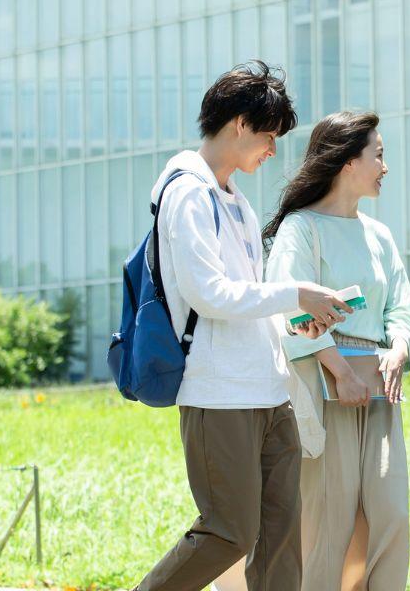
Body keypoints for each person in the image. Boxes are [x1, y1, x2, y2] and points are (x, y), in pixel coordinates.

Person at [134, 61, 352, 591]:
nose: (273, 151)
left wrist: (295, 321)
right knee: (229, 532)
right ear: (238, 124)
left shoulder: (236, 201)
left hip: (268, 390)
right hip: (219, 392)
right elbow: (208, 293)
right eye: (269, 136)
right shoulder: (188, 193)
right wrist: (295, 293)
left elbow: (248, 295)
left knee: (281, 539)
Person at [257, 111, 410, 591]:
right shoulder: (301, 228)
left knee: (391, 514)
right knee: (328, 520)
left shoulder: (379, 235)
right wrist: (339, 372)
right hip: (324, 386)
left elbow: (401, 306)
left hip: (380, 391)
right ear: (349, 161)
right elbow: (288, 306)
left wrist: (399, 347)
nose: (385, 167)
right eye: (378, 155)